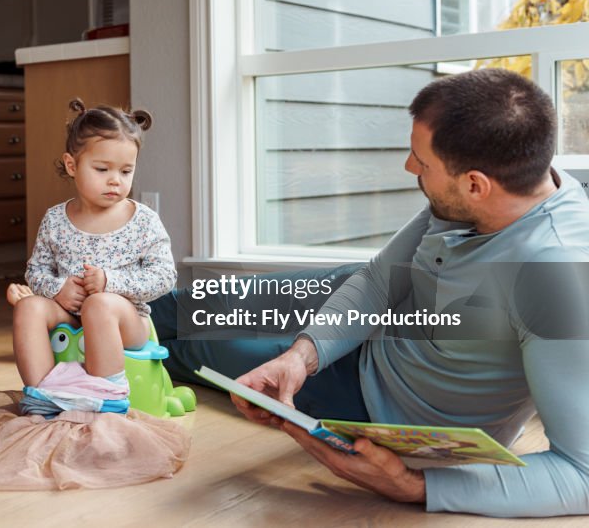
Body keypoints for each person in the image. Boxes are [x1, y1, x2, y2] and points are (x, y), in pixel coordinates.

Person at [151, 69, 589, 517]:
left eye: (422, 161)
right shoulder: (507, 186)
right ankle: (87, 320)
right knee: (204, 304)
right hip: (391, 314)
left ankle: (112, 361)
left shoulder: (555, 278)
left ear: (475, 185)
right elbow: (380, 279)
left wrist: (414, 485)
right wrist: (301, 355)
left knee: (197, 345)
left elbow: (582, 474)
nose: (408, 166)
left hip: (379, 397)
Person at [6, 99, 177, 410]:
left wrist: (110, 282)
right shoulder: (55, 219)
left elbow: (164, 276)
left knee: (98, 304)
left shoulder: (143, 221)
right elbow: (36, 271)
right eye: (102, 169)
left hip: (125, 320)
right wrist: (59, 289)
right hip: (70, 315)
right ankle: (44, 393)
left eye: (126, 171)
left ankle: (106, 395)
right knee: (28, 307)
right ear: (72, 165)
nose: (116, 180)